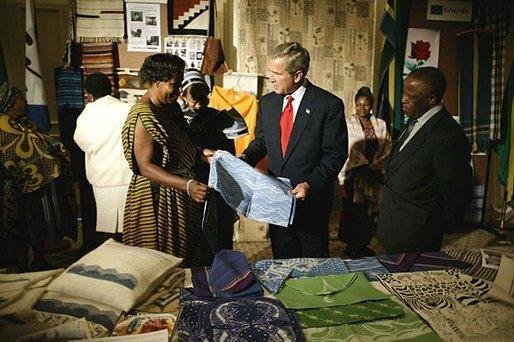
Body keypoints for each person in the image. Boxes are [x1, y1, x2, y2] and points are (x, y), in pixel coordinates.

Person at [241, 42, 348, 258]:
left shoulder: (328, 105)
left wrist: (310, 184)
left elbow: (335, 155)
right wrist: (243, 158)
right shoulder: (267, 102)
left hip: (311, 202)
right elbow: (261, 141)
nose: (270, 78)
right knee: (282, 261)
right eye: (270, 71)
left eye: (276, 73)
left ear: (297, 75)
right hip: (277, 201)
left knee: (314, 266)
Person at [122, 54, 213, 267]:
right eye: (173, 84)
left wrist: (200, 154)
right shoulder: (143, 116)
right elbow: (145, 166)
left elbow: (176, 145)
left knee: (183, 259)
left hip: (176, 195)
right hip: (156, 198)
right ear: (156, 82)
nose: (178, 90)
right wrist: (187, 185)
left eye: (180, 83)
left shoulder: (166, 109)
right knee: (159, 262)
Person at [377, 67, 473, 253]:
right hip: (393, 227)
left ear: (432, 100)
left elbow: (458, 193)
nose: (403, 99)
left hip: (417, 236)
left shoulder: (448, 136)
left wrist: (434, 226)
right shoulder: (415, 119)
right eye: (403, 92)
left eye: (410, 96)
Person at [0, 83, 76, 271]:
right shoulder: (4, 126)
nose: (25, 102)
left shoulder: (20, 123)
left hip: (29, 186)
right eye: (20, 99)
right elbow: (29, 148)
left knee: (35, 223)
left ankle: (37, 259)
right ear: (11, 104)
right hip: (13, 188)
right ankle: (20, 264)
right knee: (18, 227)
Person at [179, 68, 236, 252]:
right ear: (183, 96)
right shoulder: (177, 120)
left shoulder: (220, 118)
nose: (198, 105)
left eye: (203, 98)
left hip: (217, 186)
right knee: (194, 238)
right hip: (190, 185)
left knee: (219, 235)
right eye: (193, 99)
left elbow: (230, 153)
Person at [74, 72, 132, 247]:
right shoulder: (127, 108)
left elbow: (82, 141)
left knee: (107, 226)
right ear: (111, 89)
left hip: (103, 176)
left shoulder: (87, 113)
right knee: (129, 224)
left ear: (89, 94)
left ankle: (109, 257)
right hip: (128, 176)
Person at [338, 86, 391, 258]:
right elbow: (344, 151)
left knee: (369, 212)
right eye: (359, 104)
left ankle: (363, 244)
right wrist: (341, 179)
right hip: (354, 174)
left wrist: (377, 165)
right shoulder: (347, 124)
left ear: (371, 105)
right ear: (354, 104)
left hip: (374, 174)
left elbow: (388, 147)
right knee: (354, 211)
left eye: (366, 104)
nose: (362, 108)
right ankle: (352, 245)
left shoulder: (380, 124)